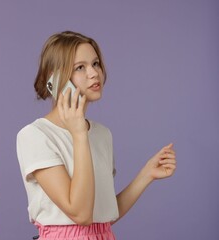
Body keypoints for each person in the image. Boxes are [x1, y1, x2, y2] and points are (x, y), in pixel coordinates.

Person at [16, 31, 177, 239]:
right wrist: (79, 134)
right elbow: (80, 214)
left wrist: (146, 175)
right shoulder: (35, 135)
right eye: (80, 67)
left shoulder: (102, 134)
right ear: (55, 80)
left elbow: (102, 216)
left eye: (96, 63)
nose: (94, 73)